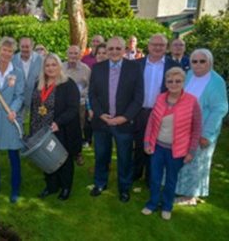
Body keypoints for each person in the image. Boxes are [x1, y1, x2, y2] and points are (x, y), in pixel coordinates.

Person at [141, 67, 201, 220]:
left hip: (178, 150)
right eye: (170, 81)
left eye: (178, 81)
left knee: (171, 179)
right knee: (154, 177)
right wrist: (147, 141)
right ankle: (152, 203)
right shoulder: (160, 98)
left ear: (183, 82)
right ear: (166, 83)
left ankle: (167, 206)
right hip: (158, 147)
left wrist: (191, 151)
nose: (174, 84)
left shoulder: (192, 101)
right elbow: (151, 122)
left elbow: (196, 128)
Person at [89, 37, 143, 202]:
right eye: (110, 48)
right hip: (102, 122)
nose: (113, 52)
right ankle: (100, 183)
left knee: (125, 158)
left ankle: (124, 188)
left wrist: (124, 117)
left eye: (117, 48)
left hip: (124, 123)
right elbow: (93, 95)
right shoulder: (98, 68)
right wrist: (99, 114)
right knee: (101, 155)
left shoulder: (134, 67)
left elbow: (138, 97)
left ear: (124, 49)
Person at [175, 49, 228, 205]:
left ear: (210, 62)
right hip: (184, 127)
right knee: (184, 161)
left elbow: (220, 108)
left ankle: (191, 196)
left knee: (197, 162)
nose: (198, 65)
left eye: (202, 61)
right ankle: (181, 190)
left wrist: (207, 134)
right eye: (194, 61)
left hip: (203, 129)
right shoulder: (189, 75)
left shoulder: (216, 81)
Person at [31, 54, 81, 201]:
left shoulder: (68, 84)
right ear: (43, 68)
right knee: (46, 159)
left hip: (60, 128)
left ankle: (65, 187)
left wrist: (58, 122)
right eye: (47, 65)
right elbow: (34, 107)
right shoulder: (38, 84)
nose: (50, 68)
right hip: (42, 129)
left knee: (63, 159)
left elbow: (73, 108)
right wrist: (33, 129)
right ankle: (51, 186)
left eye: (54, 65)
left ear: (59, 66)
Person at [133, 34, 180, 186]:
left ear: (166, 47)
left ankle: (151, 177)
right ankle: (136, 172)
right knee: (139, 143)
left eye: (161, 45)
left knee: (157, 145)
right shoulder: (136, 64)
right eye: (154, 44)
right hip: (140, 111)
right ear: (149, 46)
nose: (157, 48)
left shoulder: (173, 66)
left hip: (162, 113)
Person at [0, 37, 24, 203]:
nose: (6, 53)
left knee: (13, 155)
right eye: (4, 50)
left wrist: (14, 110)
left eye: (10, 51)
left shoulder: (17, 72)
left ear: (13, 53)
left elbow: (20, 95)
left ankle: (15, 188)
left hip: (10, 118)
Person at [62, 45, 89, 165]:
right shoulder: (60, 67)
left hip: (80, 104)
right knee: (63, 128)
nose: (73, 56)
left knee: (78, 128)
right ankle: (64, 154)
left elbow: (90, 87)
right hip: (63, 105)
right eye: (70, 53)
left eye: (75, 53)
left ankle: (78, 153)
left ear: (80, 55)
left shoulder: (86, 69)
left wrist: (80, 95)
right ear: (67, 54)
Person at [12, 37, 43, 114]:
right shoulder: (13, 60)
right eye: (22, 47)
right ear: (19, 47)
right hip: (17, 101)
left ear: (32, 46)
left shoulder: (40, 60)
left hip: (36, 100)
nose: (25, 49)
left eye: (27, 47)